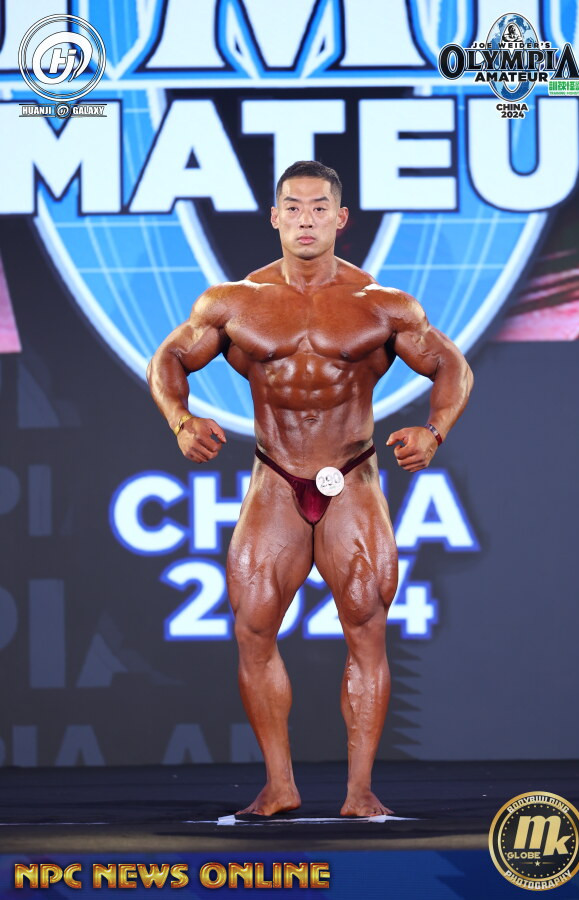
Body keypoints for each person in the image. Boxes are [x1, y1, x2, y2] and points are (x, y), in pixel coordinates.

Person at [147, 160, 474, 817]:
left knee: (367, 628)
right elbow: (170, 358)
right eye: (293, 207)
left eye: (319, 207)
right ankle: (280, 786)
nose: (305, 218)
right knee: (253, 629)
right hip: (276, 477)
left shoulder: (380, 304)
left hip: (351, 478)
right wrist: (181, 421)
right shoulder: (233, 302)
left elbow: (451, 366)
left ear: (340, 219)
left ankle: (360, 793)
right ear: (274, 217)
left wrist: (434, 431)